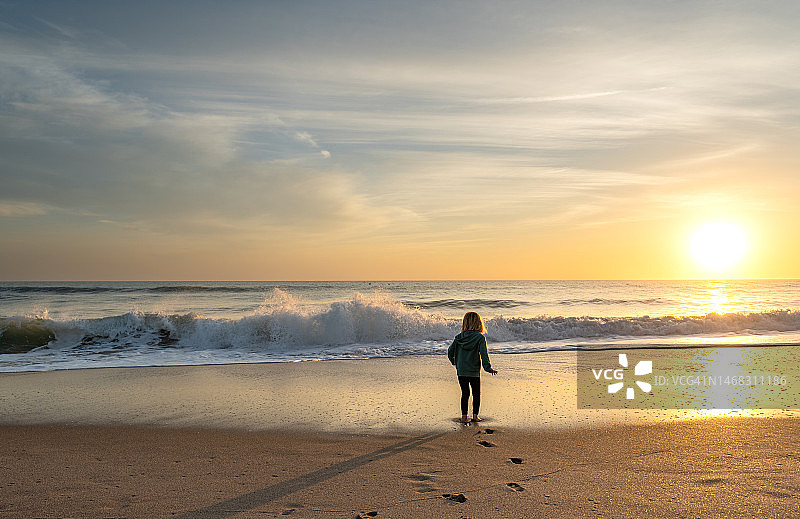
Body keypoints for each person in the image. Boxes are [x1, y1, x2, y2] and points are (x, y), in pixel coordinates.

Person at [447, 311, 497, 423]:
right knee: (476, 393)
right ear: (479, 323)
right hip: (474, 371)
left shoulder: (458, 338)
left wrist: (454, 362)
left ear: (465, 323)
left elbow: (450, 351)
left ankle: (464, 417)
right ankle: (475, 416)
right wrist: (488, 368)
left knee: (465, 393)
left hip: (461, 371)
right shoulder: (480, 338)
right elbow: (484, 355)